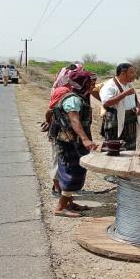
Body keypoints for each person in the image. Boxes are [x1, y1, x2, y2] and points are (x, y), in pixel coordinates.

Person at [49, 68, 98, 217]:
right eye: (90, 84)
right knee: (71, 172)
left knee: (73, 171)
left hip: (70, 140)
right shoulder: (73, 99)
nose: (92, 87)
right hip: (70, 142)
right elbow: (74, 119)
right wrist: (85, 139)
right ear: (82, 84)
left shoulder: (75, 96)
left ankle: (69, 203)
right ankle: (61, 208)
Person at [99, 63, 140, 151]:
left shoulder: (129, 84)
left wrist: (138, 107)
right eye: (131, 72)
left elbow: (134, 99)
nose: (134, 75)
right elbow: (106, 103)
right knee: (114, 150)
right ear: (123, 74)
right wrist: (125, 94)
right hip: (115, 122)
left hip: (130, 123)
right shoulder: (109, 86)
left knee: (130, 150)